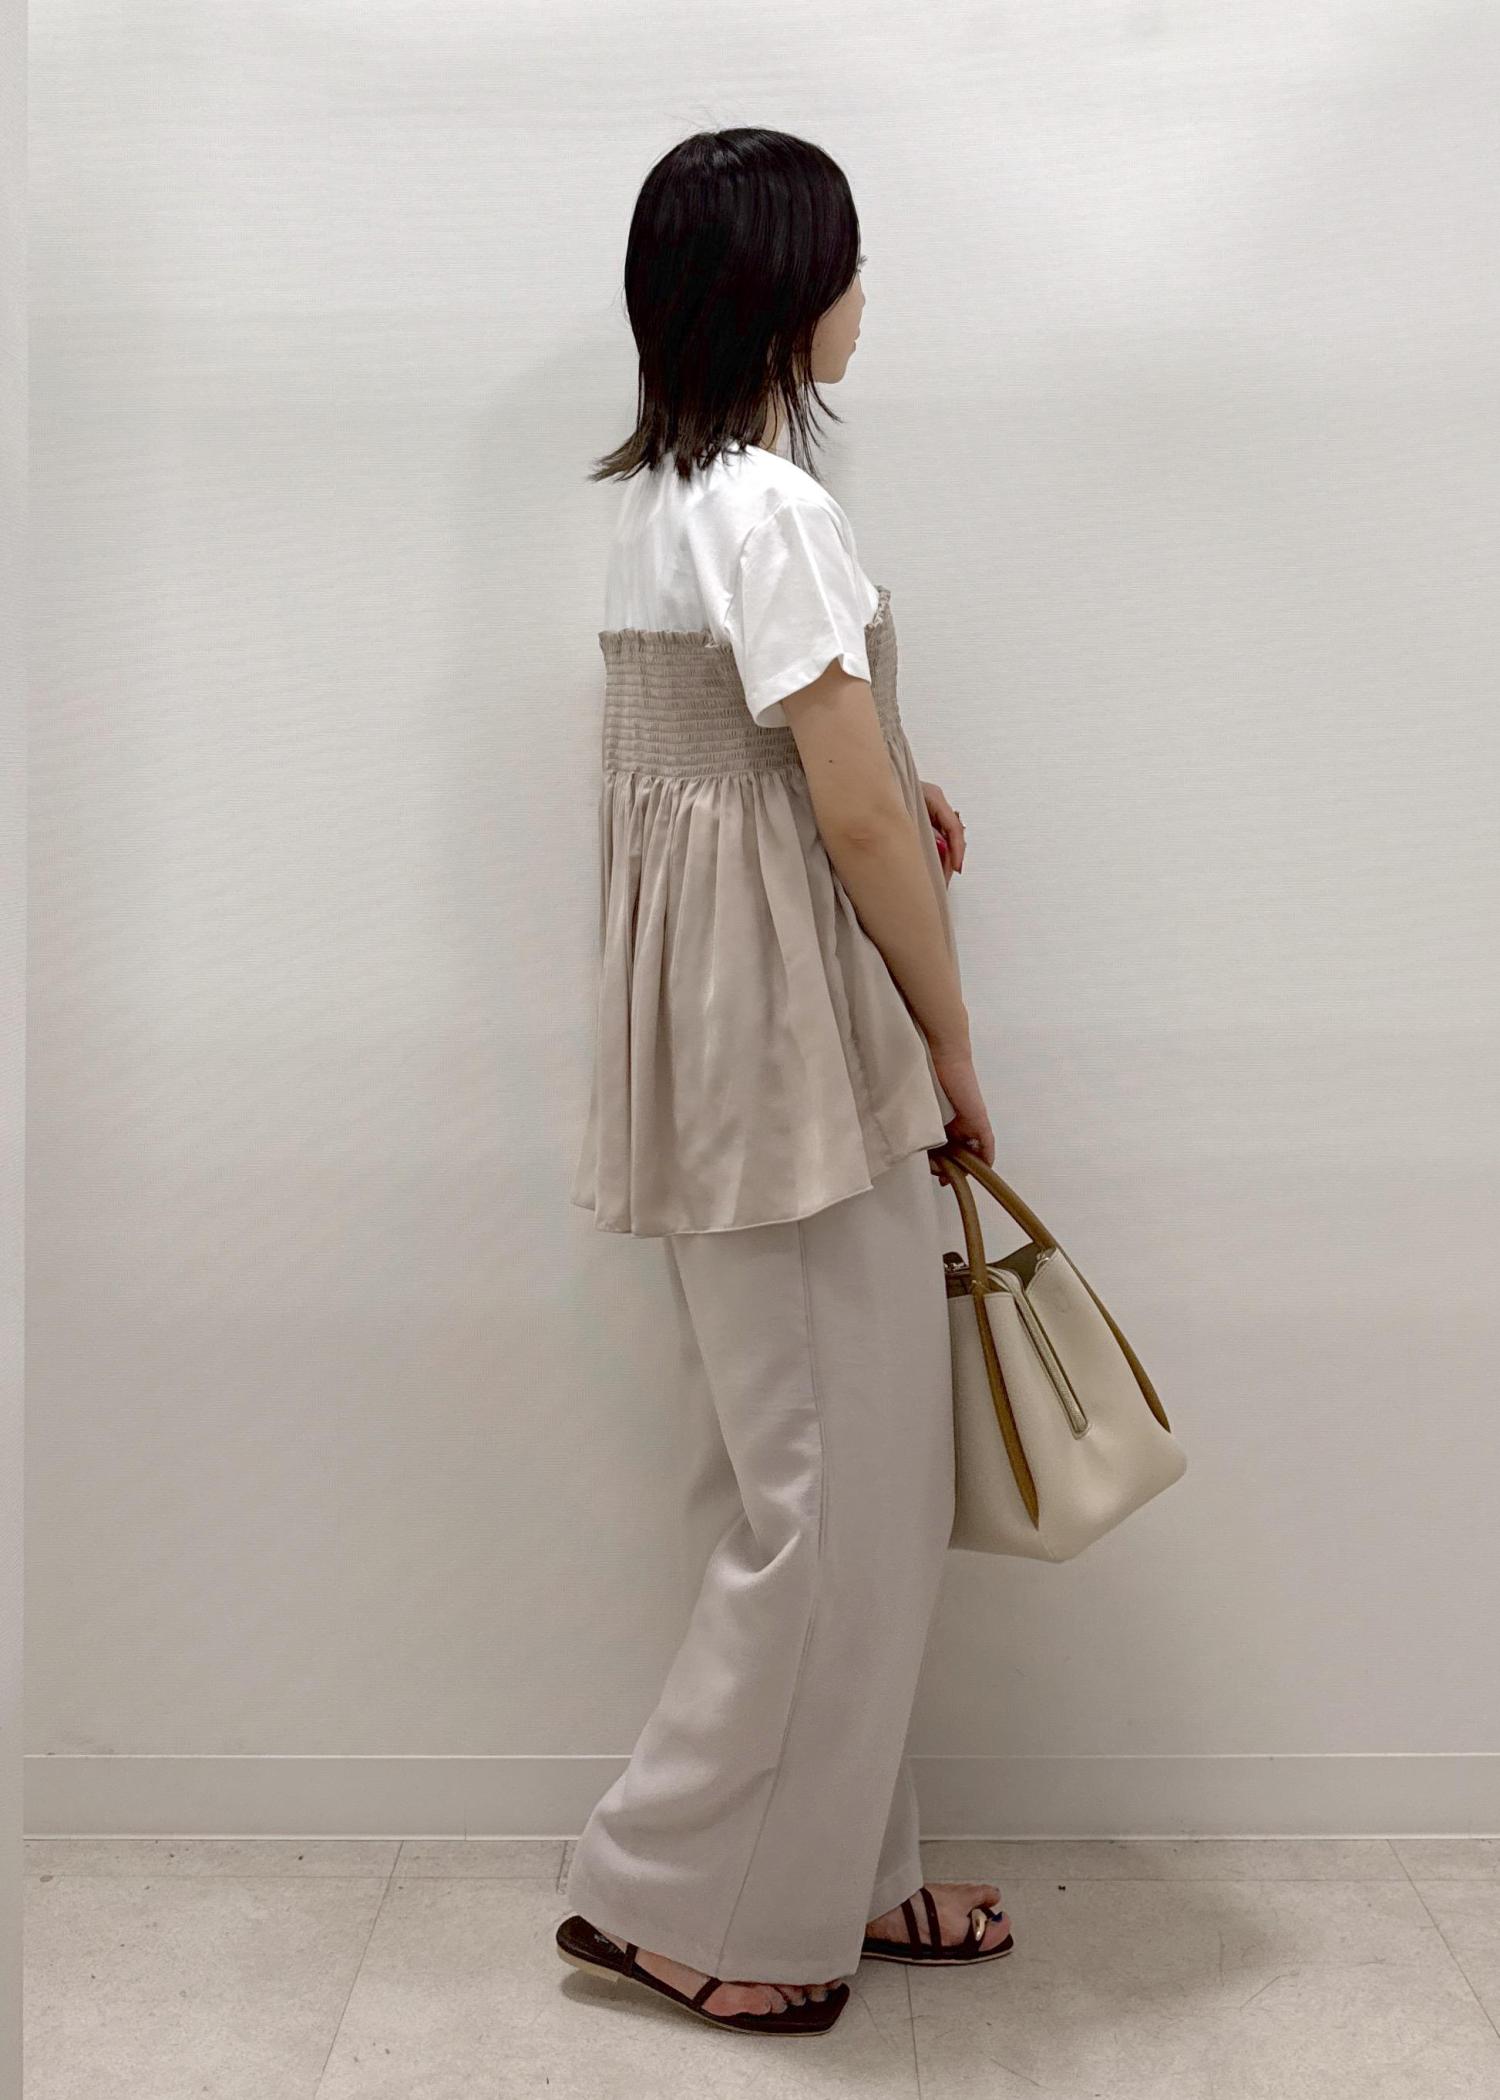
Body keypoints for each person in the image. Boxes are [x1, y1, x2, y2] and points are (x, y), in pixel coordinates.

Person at [557, 127, 1011, 2038]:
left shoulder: (668, 504)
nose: (861, 299)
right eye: (845, 264)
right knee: (839, 1499)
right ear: (778, 293)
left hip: (718, 1040)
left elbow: (745, 756)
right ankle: (679, 1899)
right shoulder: (777, 510)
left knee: (810, 1479)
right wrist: (954, 1041)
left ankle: (841, 1869)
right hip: (800, 1050)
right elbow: (840, 811)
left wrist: (889, 764)